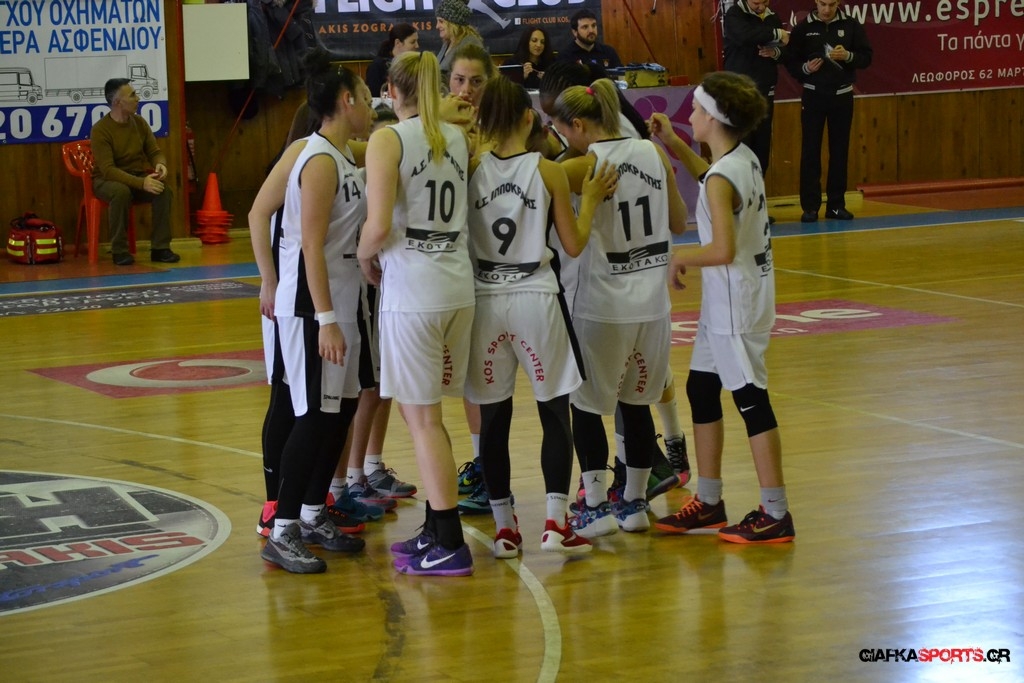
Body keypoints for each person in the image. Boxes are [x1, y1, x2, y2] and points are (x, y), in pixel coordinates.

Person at [466, 77, 617, 558]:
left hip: (486, 298)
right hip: (536, 295)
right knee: (554, 411)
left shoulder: (470, 168)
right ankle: (555, 523)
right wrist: (589, 200)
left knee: (494, 420)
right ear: (529, 117)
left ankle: (504, 529)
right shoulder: (548, 171)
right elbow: (573, 245)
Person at [647, 71, 796, 544]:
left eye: (695, 109)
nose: (689, 115)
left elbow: (722, 250)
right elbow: (710, 179)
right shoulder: (740, 158)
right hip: (732, 298)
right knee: (702, 388)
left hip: (736, 302)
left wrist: (679, 257)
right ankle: (709, 501)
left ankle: (776, 512)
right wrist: (673, 142)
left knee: (752, 401)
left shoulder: (721, 177)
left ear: (713, 117)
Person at [550, 79, 688, 538]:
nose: (563, 141)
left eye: (562, 131)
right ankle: (633, 503)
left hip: (603, 305)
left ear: (578, 125)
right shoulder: (651, 152)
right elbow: (679, 221)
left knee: (587, 406)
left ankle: (593, 505)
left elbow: (537, 178)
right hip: (653, 307)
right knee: (637, 403)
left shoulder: (584, 165)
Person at [257, 51, 378, 573]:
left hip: (345, 300)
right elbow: (311, 244)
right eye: (367, 98)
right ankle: (282, 528)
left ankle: (311, 513)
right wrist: (326, 318)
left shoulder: (343, 154)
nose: (372, 106)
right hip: (312, 307)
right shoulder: (320, 159)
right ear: (346, 101)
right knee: (311, 418)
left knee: (340, 413)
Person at [358, 50, 476, 577]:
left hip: (414, 292)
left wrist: (363, 256)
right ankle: (435, 525)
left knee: (423, 419)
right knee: (426, 417)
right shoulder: (456, 138)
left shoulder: (389, 139)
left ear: (390, 90)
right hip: (456, 286)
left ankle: (449, 541)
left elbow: (378, 225)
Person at [786, 0, 872, 222]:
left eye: (831, 4)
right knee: (810, 151)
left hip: (842, 96)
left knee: (839, 152)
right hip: (813, 95)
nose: (826, 9)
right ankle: (810, 207)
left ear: (838, 3)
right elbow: (790, 60)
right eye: (823, 4)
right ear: (816, 2)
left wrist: (848, 56)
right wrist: (805, 69)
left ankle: (836, 205)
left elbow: (866, 57)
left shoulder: (851, 25)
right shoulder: (803, 27)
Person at [91, 78, 179, 266]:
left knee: (163, 191)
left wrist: (160, 164)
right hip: (106, 180)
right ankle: (119, 250)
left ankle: (160, 248)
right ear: (117, 102)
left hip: (136, 176)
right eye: (132, 95)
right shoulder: (100, 130)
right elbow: (108, 170)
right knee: (120, 192)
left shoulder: (139, 123)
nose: (138, 98)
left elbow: (154, 152)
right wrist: (142, 183)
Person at [723, 0, 788, 187]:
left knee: (762, 147)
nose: (761, 7)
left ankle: (757, 195)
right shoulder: (734, 14)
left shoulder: (772, 17)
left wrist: (775, 53)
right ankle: (739, 196)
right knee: (741, 144)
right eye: (756, 3)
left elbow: (786, 50)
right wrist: (777, 33)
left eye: (765, 2)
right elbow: (745, 36)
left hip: (765, 89)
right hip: (739, 91)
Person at [556, 9, 622, 71]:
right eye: (585, 27)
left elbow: (621, 77)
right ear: (575, 32)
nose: (591, 30)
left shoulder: (608, 52)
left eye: (593, 25)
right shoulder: (565, 56)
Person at [365, 24, 419, 99]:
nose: (417, 46)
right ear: (397, 43)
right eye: (412, 42)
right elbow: (374, 97)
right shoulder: (377, 67)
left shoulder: (416, 65)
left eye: (417, 41)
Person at [435, 0, 483, 82]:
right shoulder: (447, 43)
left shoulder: (470, 44)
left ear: (453, 23)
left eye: (441, 21)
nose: (437, 26)